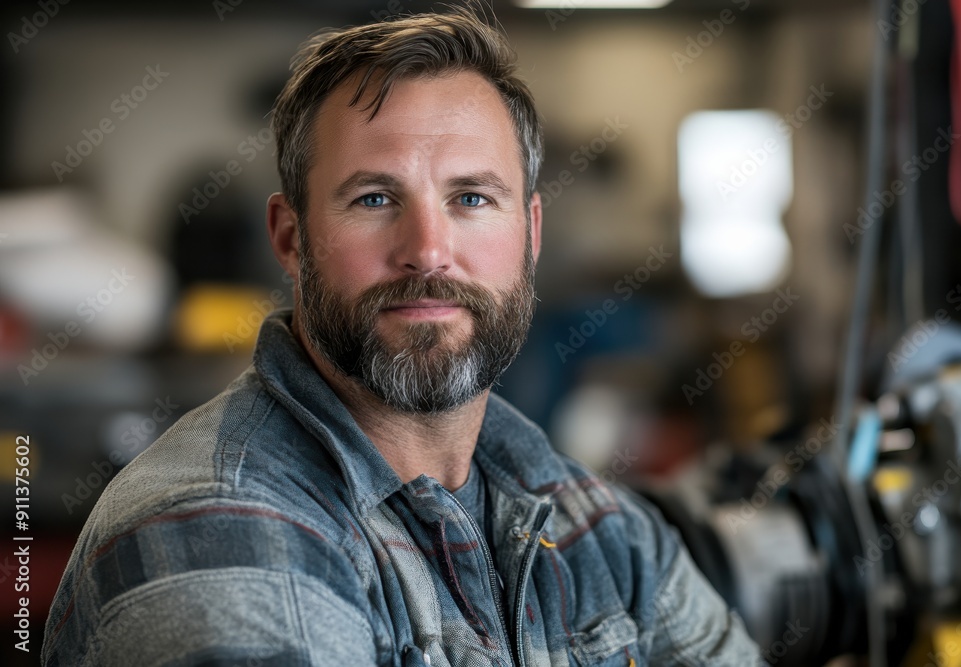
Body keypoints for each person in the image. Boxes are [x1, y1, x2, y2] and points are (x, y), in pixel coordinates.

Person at [43, 7, 761, 665]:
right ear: (290, 239)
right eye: (375, 198)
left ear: (531, 234)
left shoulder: (594, 526)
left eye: (471, 198)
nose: (427, 249)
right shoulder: (215, 531)